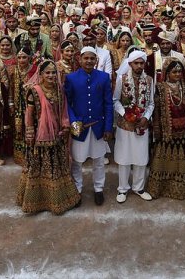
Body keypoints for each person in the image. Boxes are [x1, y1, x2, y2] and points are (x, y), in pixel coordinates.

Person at [15, 60, 81, 215]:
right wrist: (30, 133)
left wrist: (65, 126)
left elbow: (64, 109)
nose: (51, 75)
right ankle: (36, 201)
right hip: (39, 136)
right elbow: (29, 115)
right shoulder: (34, 91)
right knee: (39, 167)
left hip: (57, 134)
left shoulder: (59, 90)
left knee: (57, 167)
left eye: (53, 72)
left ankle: (58, 200)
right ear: (41, 75)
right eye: (48, 73)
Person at [147, 59, 185, 200]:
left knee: (183, 160)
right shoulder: (159, 87)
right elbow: (156, 111)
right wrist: (157, 128)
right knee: (165, 159)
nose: (178, 74)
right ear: (167, 73)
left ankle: (184, 189)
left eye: (179, 71)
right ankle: (163, 188)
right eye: (174, 72)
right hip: (167, 133)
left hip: (184, 131)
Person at [65, 46, 114, 206]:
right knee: (77, 162)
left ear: (96, 60)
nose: (89, 61)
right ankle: (77, 189)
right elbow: (67, 103)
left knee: (99, 160)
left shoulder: (104, 77)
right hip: (80, 127)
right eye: (86, 58)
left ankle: (98, 189)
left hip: (99, 127)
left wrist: (108, 127)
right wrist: (74, 122)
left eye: (92, 58)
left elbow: (108, 104)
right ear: (80, 59)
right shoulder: (71, 78)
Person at [112, 51, 154, 203]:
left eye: (141, 63)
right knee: (124, 158)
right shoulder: (122, 79)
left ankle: (139, 187)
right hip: (125, 125)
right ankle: (122, 189)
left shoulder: (149, 80)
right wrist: (125, 114)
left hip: (142, 124)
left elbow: (151, 103)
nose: (139, 66)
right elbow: (115, 100)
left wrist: (146, 117)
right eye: (136, 63)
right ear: (130, 64)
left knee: (141, 157)